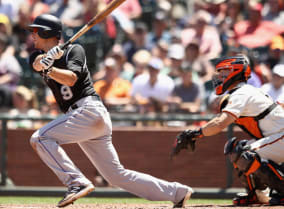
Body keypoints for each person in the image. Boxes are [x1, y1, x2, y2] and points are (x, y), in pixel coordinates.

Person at [28, 14, 193, 208]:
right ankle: (177, 192)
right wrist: (48, 60)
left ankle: (76, 182)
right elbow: (36, 63)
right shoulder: (38, 55)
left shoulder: (75, 50)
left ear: (48, 33)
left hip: (88, 111)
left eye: (36, 31)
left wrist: (51, 69)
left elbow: (71, 79)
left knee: (39, 138)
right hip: (83, 118)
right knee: (115, 176)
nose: (33, 35)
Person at [171, 54, 284, 206]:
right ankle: (256, 195)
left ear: (235, 72)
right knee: (235, 149)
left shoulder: (242, 93)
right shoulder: (245, 91)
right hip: (278, 138)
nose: (220, 77)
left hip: (281, 136)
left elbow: (220, 123)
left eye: (224, 72)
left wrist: (194, 133)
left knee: (245, 153)